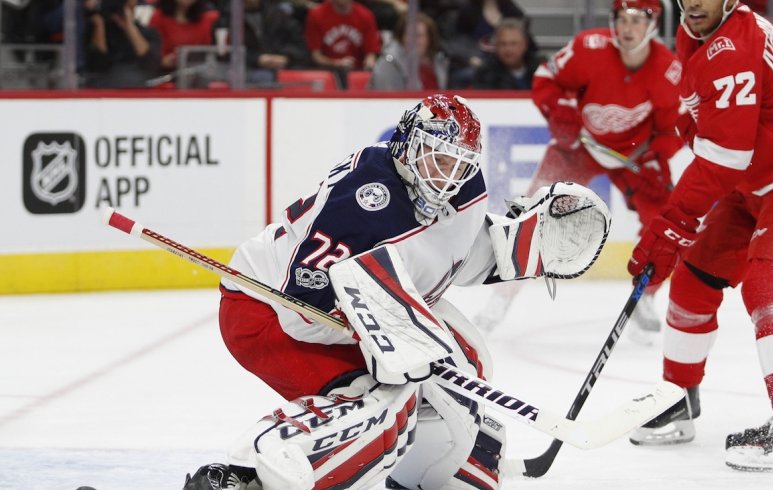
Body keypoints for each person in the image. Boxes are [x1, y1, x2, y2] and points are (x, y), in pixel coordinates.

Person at [181, 94, 610, 490]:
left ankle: (444, 471)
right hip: (268, 312)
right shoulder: (363, 203)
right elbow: (303, 310)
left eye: (459, 163)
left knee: (466, 357)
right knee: (383, 402)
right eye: (438, 158)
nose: (448, 175)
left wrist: (520, 246)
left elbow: (453, 254)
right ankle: (247, 474)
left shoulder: (464, 186)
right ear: (407, 143)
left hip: (373, 300)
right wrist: (389, 343)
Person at [625, 0, 773, 473]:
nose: (692, 2)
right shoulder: (700, 31)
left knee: (768, 282)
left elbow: (725, 156)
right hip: (758, 177)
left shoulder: (731, 47)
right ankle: (677, 398)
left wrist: (672, 222)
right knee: (693, 278)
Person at [472, 0, 684, 344]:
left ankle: (644, 297)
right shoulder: (589, 47)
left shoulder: (668, 70)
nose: (628, 28)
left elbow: (672, 128)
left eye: (637, 20)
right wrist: (559, 112)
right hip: (579, 149)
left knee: (667, 223)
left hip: (635, 155)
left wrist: (658, 156)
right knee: (532, 216)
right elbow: (546, 77)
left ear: (654, 25)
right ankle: (501, 298)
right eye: (622, 19)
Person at [83, 0, 162, 88]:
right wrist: (99, 25)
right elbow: (97, 65)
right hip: (103, 90)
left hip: (138, 91)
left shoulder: (149, 33)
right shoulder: (98, 29)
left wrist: (129, 27)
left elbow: (151, 64)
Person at [304, 0, 381, 86]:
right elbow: (316, 56)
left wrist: (369, 63)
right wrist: (337, 63)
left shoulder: (366, 15)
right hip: (327, 71)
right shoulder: (316, 14)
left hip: (357, 71)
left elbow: (370, 53)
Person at [369, 12, 449, 90]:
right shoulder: (388, 63)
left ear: (429, 38)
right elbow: (387, 99)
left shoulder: (440, 61)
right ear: (401, 37)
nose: (413, 40)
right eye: (409, 35)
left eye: (418, 35)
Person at [148, 0, 220, 72]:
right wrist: (163, 62)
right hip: (165, 74)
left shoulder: (206, 19)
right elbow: (149, 56)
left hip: (197, 74)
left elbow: (207, 51)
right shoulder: (158, 18)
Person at [472, 18, 542, 90]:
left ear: (525, 45)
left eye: (513, 44)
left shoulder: (540, 70)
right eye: (503, 44)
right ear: (496, 45)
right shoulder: (485, 74)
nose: (508, 49)